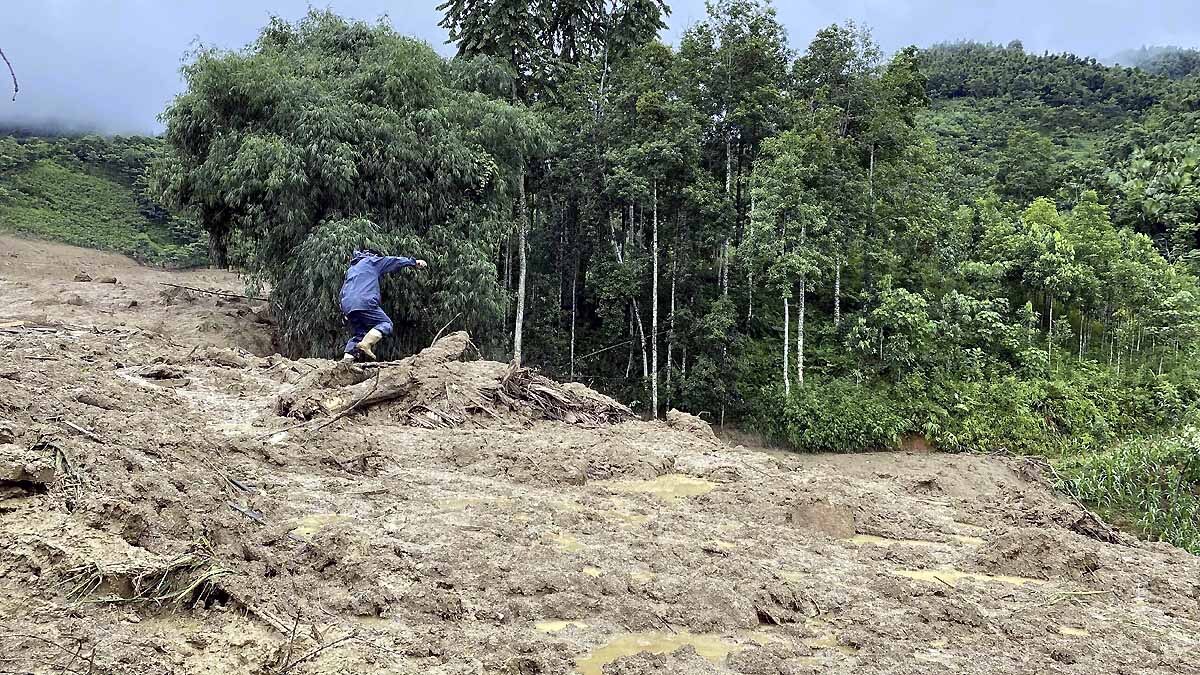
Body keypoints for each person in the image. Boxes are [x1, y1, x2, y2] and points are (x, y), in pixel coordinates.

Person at [339, 249, 427, 361]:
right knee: (385, 324)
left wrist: (344, 310)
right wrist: (413, 262)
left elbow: (342, 291)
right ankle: (366, 344)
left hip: (348, 305)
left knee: (360, 334)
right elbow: (393, 261)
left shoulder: (352, 269)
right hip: (364, 301)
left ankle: (346, 362)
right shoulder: (372, 260)